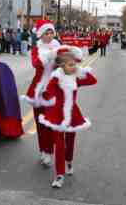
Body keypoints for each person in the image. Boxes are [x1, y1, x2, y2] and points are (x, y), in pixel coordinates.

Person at [39, 50, 97, 188]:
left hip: (72, 114)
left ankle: (69, 160)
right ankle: (59, 174)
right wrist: (47, 94)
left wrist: (81, 70)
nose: (74, 67)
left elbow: (93, 80)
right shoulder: (56, 77)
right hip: (57, 115)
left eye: (74, 64)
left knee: (70, 141)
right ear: (62, 66)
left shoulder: (75, 77)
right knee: (59, 144)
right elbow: (49, 91)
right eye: (70, 65)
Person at [22, 19, 61, 167]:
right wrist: (50, 55)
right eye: (46, 32)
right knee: (40, 122)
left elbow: (66, 63)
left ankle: (50, 150)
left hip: (54, 89)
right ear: (40, 34)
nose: (49, 35)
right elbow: (36, 63)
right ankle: (43, 150)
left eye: (51, 32)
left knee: (51, 122)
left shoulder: (59, 47)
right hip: (38, 89)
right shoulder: (36, 48)